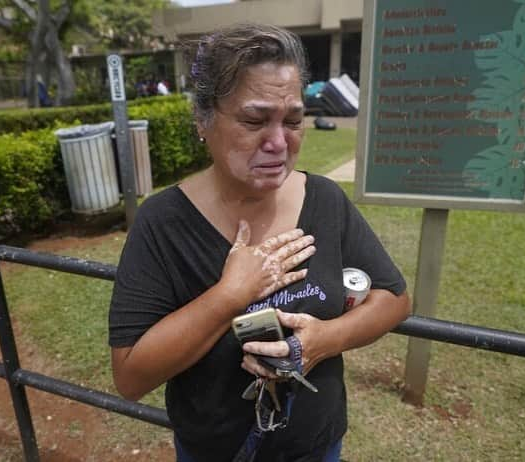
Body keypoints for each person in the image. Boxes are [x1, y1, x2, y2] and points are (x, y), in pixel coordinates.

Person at [108, 23, 410, 462]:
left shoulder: (323, 199)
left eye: (292, 120)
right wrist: (230, 295)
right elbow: (131, 376)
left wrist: (323, 340)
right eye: (254, 120)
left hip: (316, 447)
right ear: (203, 120)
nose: (278, 143)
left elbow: (395, 298)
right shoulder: (164, 222)